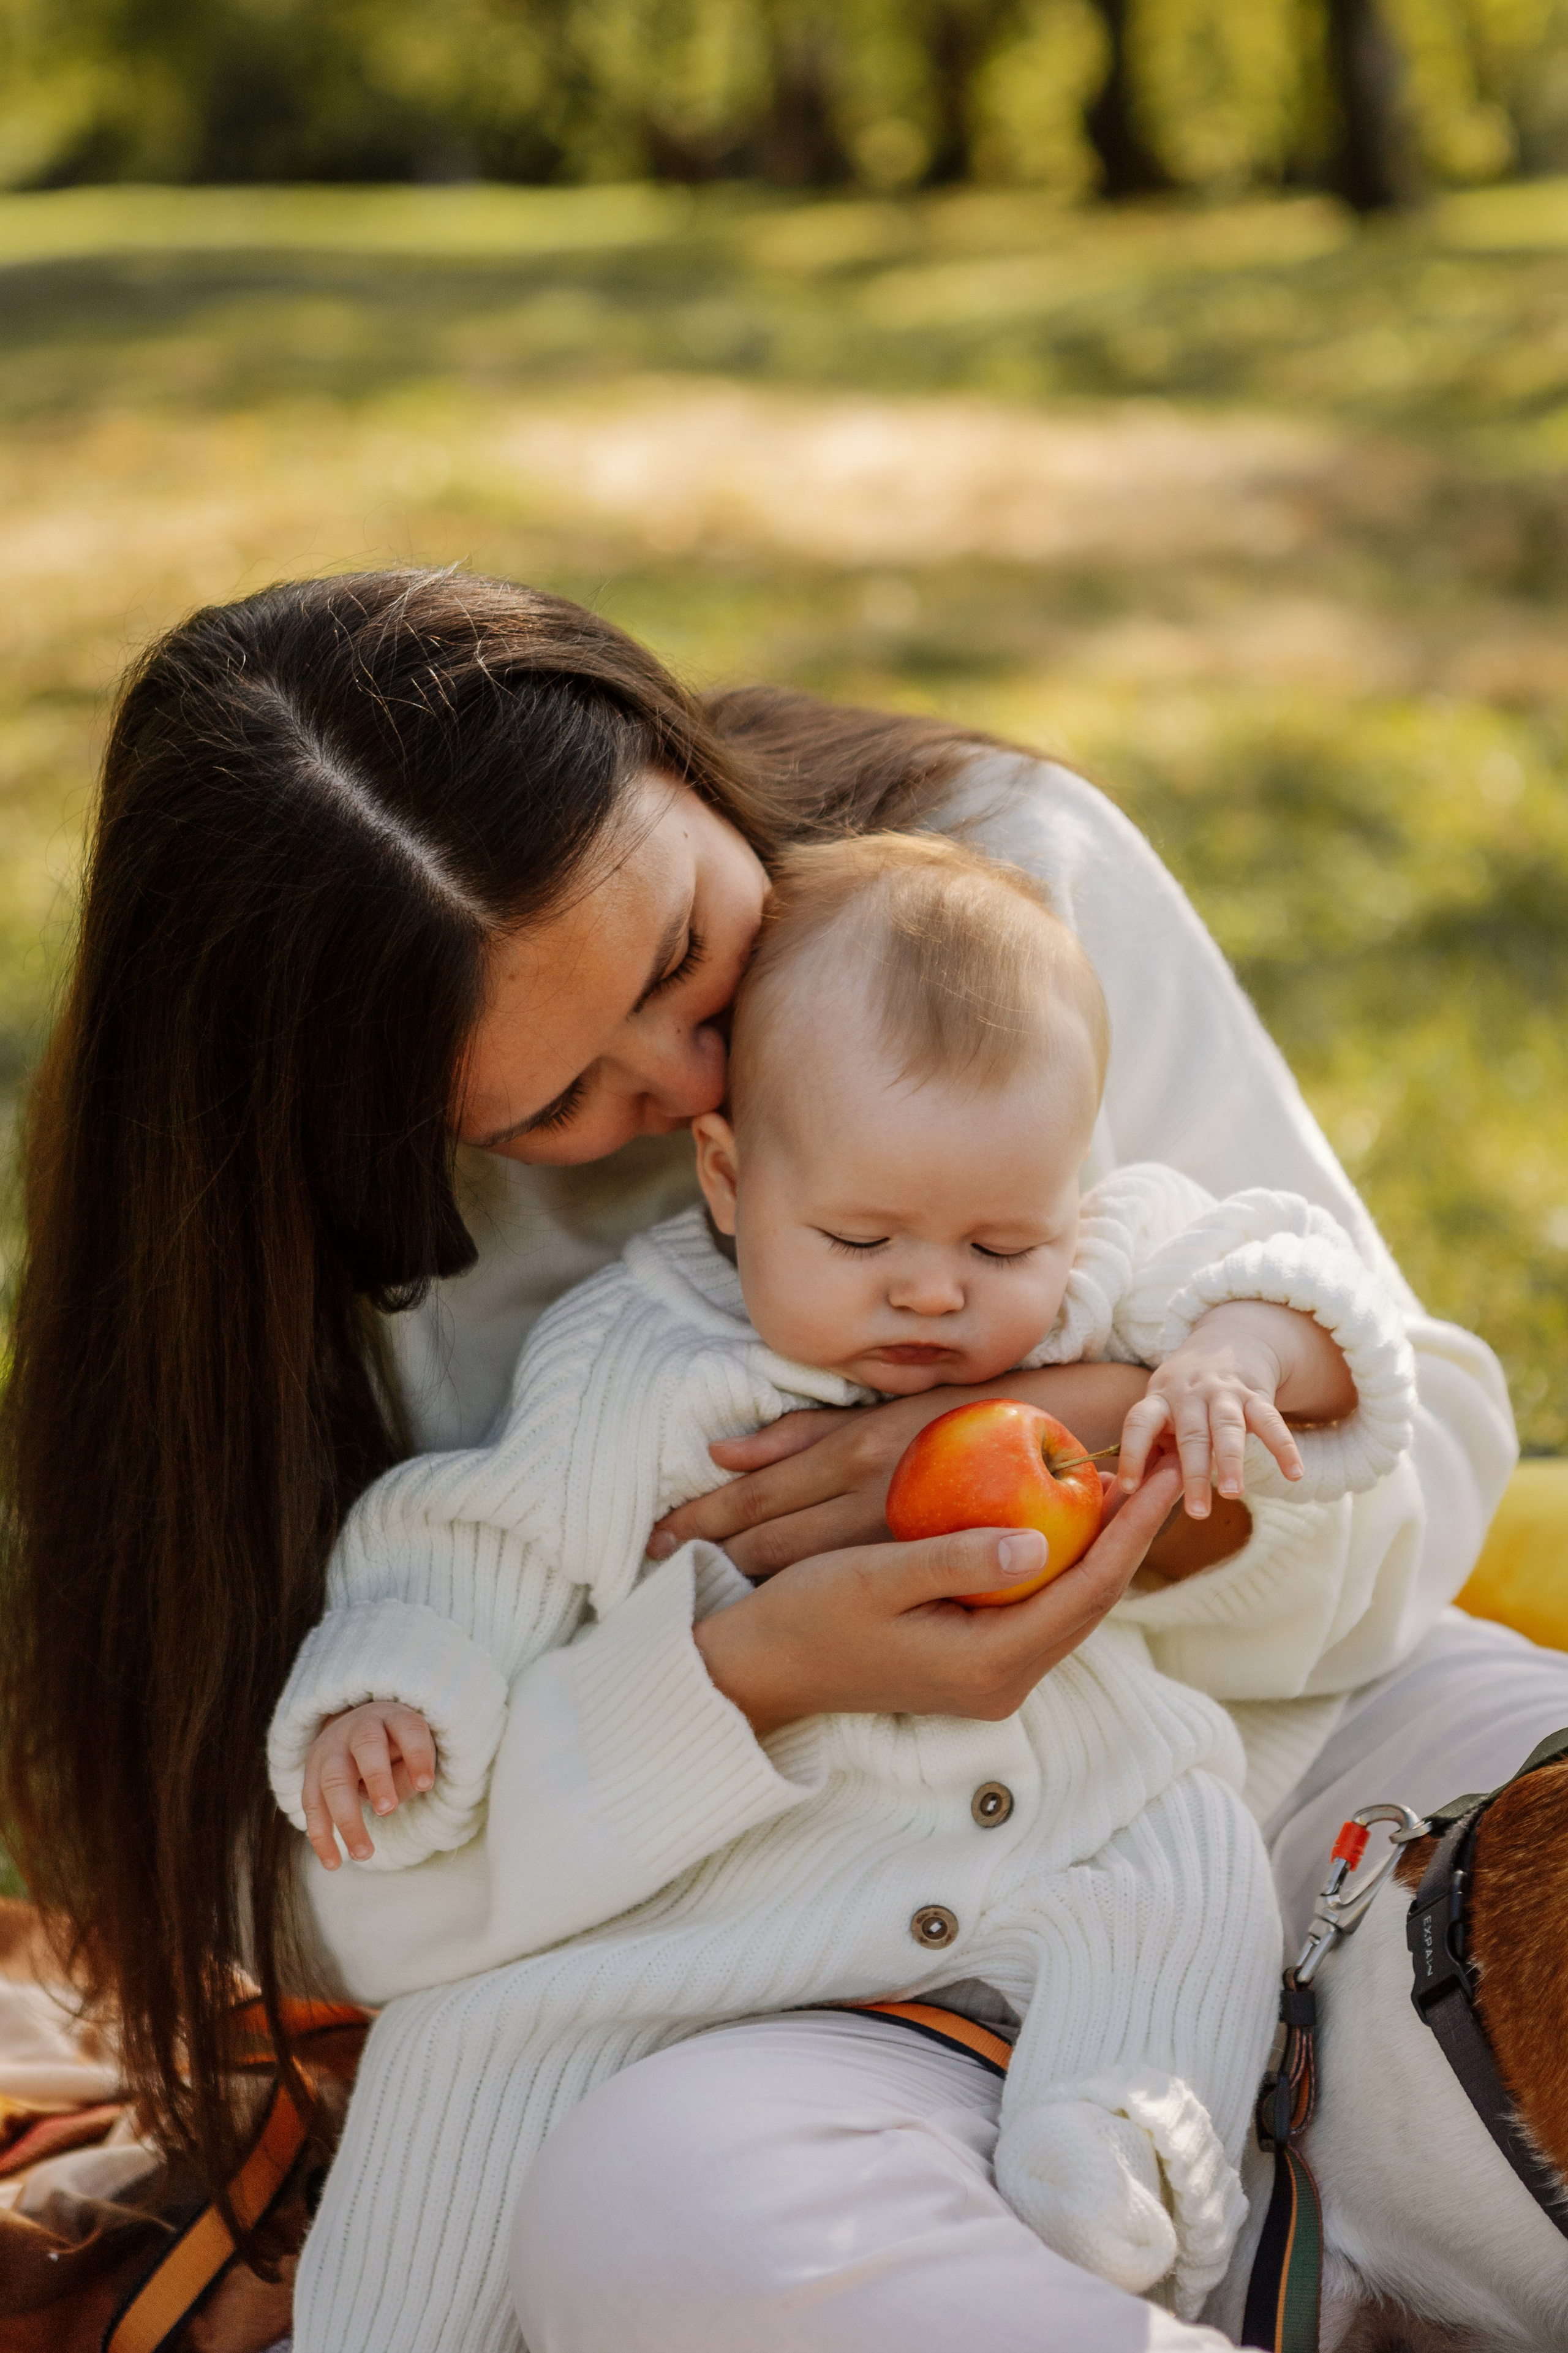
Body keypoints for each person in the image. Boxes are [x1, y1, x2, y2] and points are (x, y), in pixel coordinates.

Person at [0, 569, 1528, 2353]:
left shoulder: (989, 889)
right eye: (552, 1108)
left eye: (681, 960)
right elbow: (330, 1874)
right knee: (660, 2219)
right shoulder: (377, 1299)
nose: (694, 1071)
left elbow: (1407, 1439)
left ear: (674, 750)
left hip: (1279, 1784)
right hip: (792, 1977)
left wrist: (1119, 1452)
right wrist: (736, 1679)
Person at [265, 831, 1416, 2338]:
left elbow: (1297, 1276)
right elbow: (475, 1542)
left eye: (996, 1237)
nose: (933, 1289)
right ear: (729, 1176)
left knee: (1186, 1872)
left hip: (1065, 1810)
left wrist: (1225, 1359)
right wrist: (394, 1686)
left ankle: (1117, 2144)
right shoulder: (637, 1360)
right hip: (721, 1894)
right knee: (468, 2053)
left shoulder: (1091, 1264)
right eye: (860, 1237)